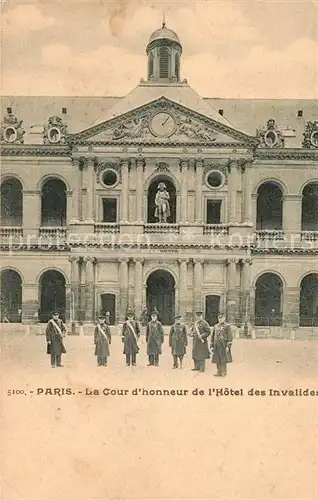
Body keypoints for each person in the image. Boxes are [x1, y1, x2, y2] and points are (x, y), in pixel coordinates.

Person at [211, 313, 233, 377]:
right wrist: (212, 345)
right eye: (219, 318)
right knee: (217, 359)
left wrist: (228, 347)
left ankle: (223, 372)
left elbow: (230, 337)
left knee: (223, 359)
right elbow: (213, 336)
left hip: (223, 345)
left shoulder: (227, 326)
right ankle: (218, 372)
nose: (220, 320)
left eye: (221, 318)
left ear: (224, 319)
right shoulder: (216, 326)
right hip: (216, 345)